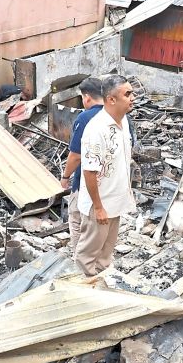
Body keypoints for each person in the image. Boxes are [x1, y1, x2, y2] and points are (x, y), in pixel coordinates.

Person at [75, 76, 136, 276]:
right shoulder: (96, 129)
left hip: (115, 202)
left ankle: (100, 283)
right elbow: (89, 171)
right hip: (99, 205)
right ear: (111, 99)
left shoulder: (123, 121)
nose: (133, 98)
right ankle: (84, 287)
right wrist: (98, 207)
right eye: (127, 94)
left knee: (105, 254)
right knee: (88, 255)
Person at [61, 77, 106, 254]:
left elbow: (76, 155)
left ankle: (80, 259)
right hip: (110, 182)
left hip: (86, 182)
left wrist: (65, 177)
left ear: (86, 97)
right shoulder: (119, 116)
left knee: (77, 219)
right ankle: (99, 257)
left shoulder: (85, 118)